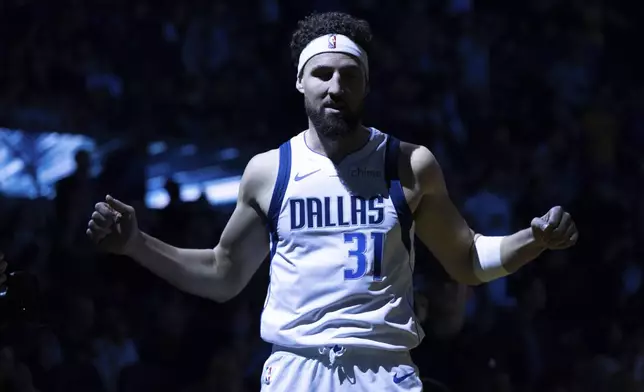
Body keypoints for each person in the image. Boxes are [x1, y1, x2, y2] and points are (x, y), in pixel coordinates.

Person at [85, 12, 579, 391]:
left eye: (349, 75)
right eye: (322, 73)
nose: (335, 87)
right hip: (296, 370)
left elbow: (468, 259)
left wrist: (531, 240)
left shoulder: (409, 164)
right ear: (300, 81)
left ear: (367, 85)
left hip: (383, 372)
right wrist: (137, 244)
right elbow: (224, 272)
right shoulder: (268, 171)